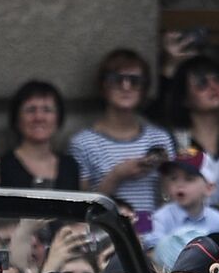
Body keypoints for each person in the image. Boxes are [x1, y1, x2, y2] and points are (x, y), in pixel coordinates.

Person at [68, 49, 177, 226]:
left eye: (135, 81)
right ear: (103, 85)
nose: (126, 86)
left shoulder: (159, 138)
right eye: (117, 80)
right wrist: (117, 175)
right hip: (107, 235)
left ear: (144, 88)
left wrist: (167, 172)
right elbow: (82, 208)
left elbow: (174, 198)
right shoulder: (83, 142)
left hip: (154, 234)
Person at [0, 81, 81, 190]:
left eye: (47, 110)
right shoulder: (3, 167)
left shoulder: (70, 167)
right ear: (17, 119)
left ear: (58, 118)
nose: (39, 117)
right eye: (30, 110)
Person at [147, 149, 219, 249]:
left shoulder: (217, 220)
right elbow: (152, 249)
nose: (179, 185)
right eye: (173, 178)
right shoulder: (161, 218)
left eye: (189, 179)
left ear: (209, 188)